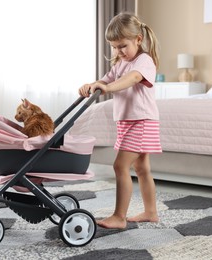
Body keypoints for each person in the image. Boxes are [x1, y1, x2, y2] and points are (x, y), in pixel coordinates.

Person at [78, 12, 162, 229]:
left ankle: (119, 217)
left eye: (122, 46)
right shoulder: (119, 64)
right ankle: (151, 212)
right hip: (128, 121)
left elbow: (131, 79)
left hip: (141, 121)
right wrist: (93, 84)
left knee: (119, 165)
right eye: (114, 47)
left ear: (138, 39)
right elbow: (105, 80)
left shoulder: (144, 61)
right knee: (142, 168)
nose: (118, 51)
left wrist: (107, 87)